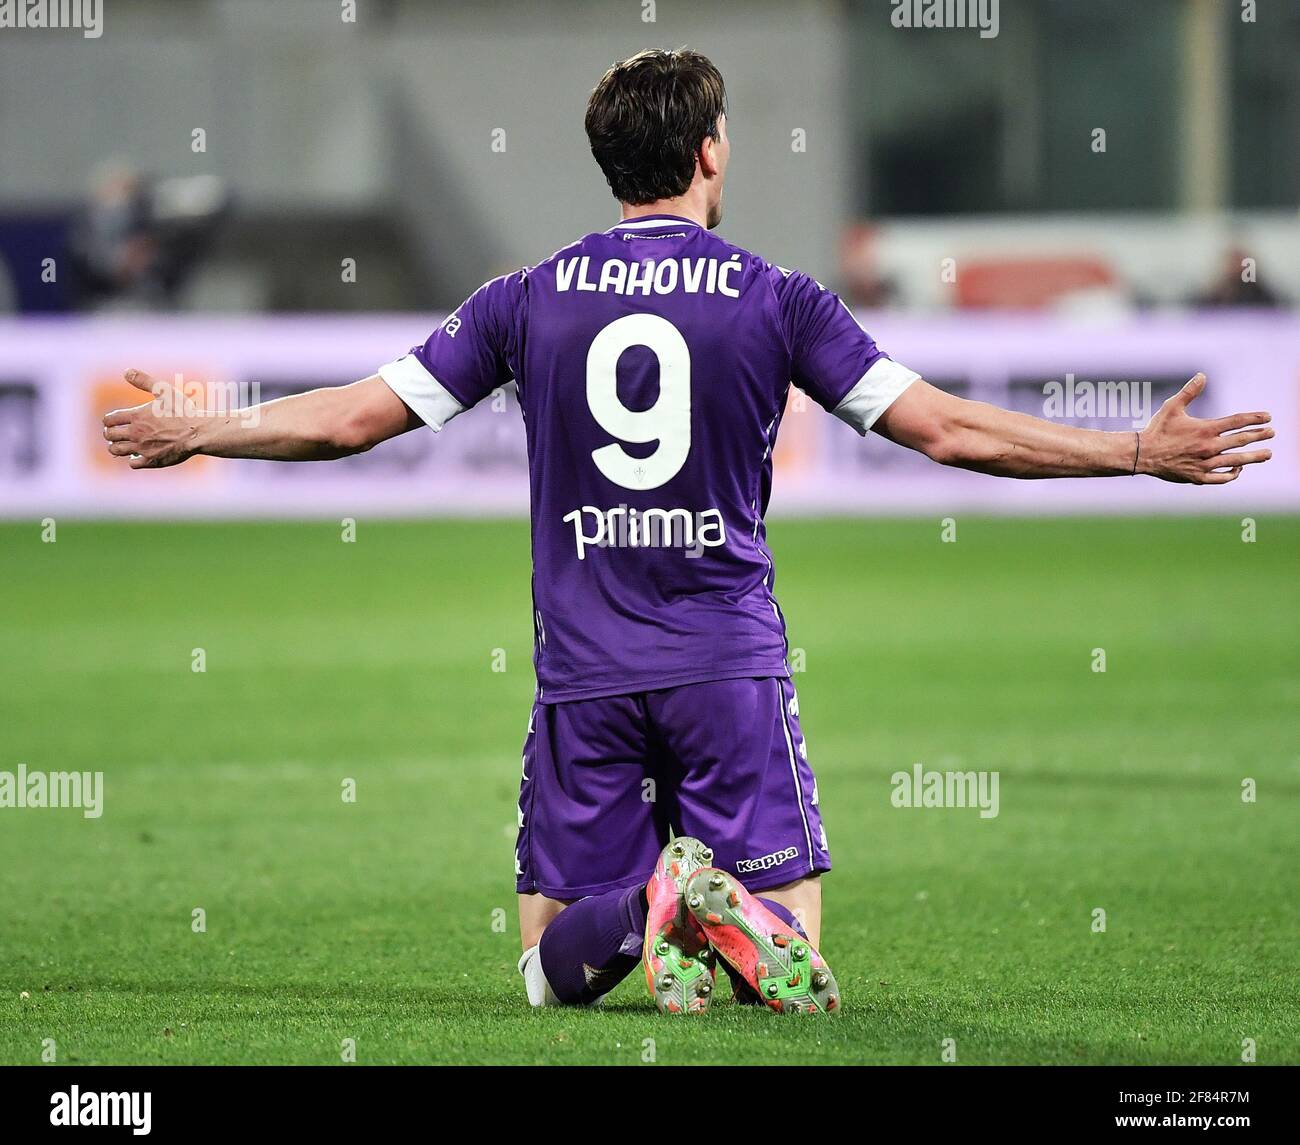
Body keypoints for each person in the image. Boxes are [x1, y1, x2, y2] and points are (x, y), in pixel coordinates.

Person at [102, 49, 1274, 1015]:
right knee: (790, 963)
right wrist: (1129, 450)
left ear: (609, 163)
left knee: (546, 977)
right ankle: (709, 902)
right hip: (728, 673)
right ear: (710, 150)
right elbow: (949, 432)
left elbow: (351, 420)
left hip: (584, 684)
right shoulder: (776, 297)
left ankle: (646, 902)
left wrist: (201, 429)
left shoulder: (524, 296)